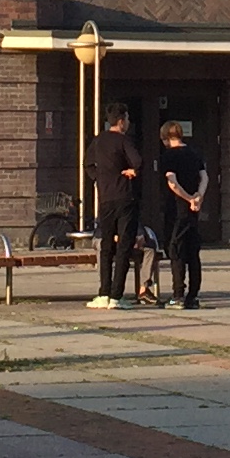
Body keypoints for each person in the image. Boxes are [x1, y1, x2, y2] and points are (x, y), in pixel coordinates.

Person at [87, 108, 143, 310]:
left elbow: (88, 165)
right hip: (125, 198)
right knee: (124, 246)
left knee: (106, 244)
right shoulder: (124, 140)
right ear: (121, 121)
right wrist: (132, 171)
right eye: (127, 118)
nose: (128, 122)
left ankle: (103, 292)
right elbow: (138, 161)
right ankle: (116, 295)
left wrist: (100, 179)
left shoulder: (99, 140)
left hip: (105, 198)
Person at [157, 119, 209, 312]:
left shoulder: (169, 156)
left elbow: (172, 182)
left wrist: (187, 198)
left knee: (176, 251)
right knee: (193, 252)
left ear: (165, 138)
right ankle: (193, 296)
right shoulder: (195, 153)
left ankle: (178, 295)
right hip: (193, 211)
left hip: (177, 210)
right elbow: (204, 177)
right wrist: (198, 197)